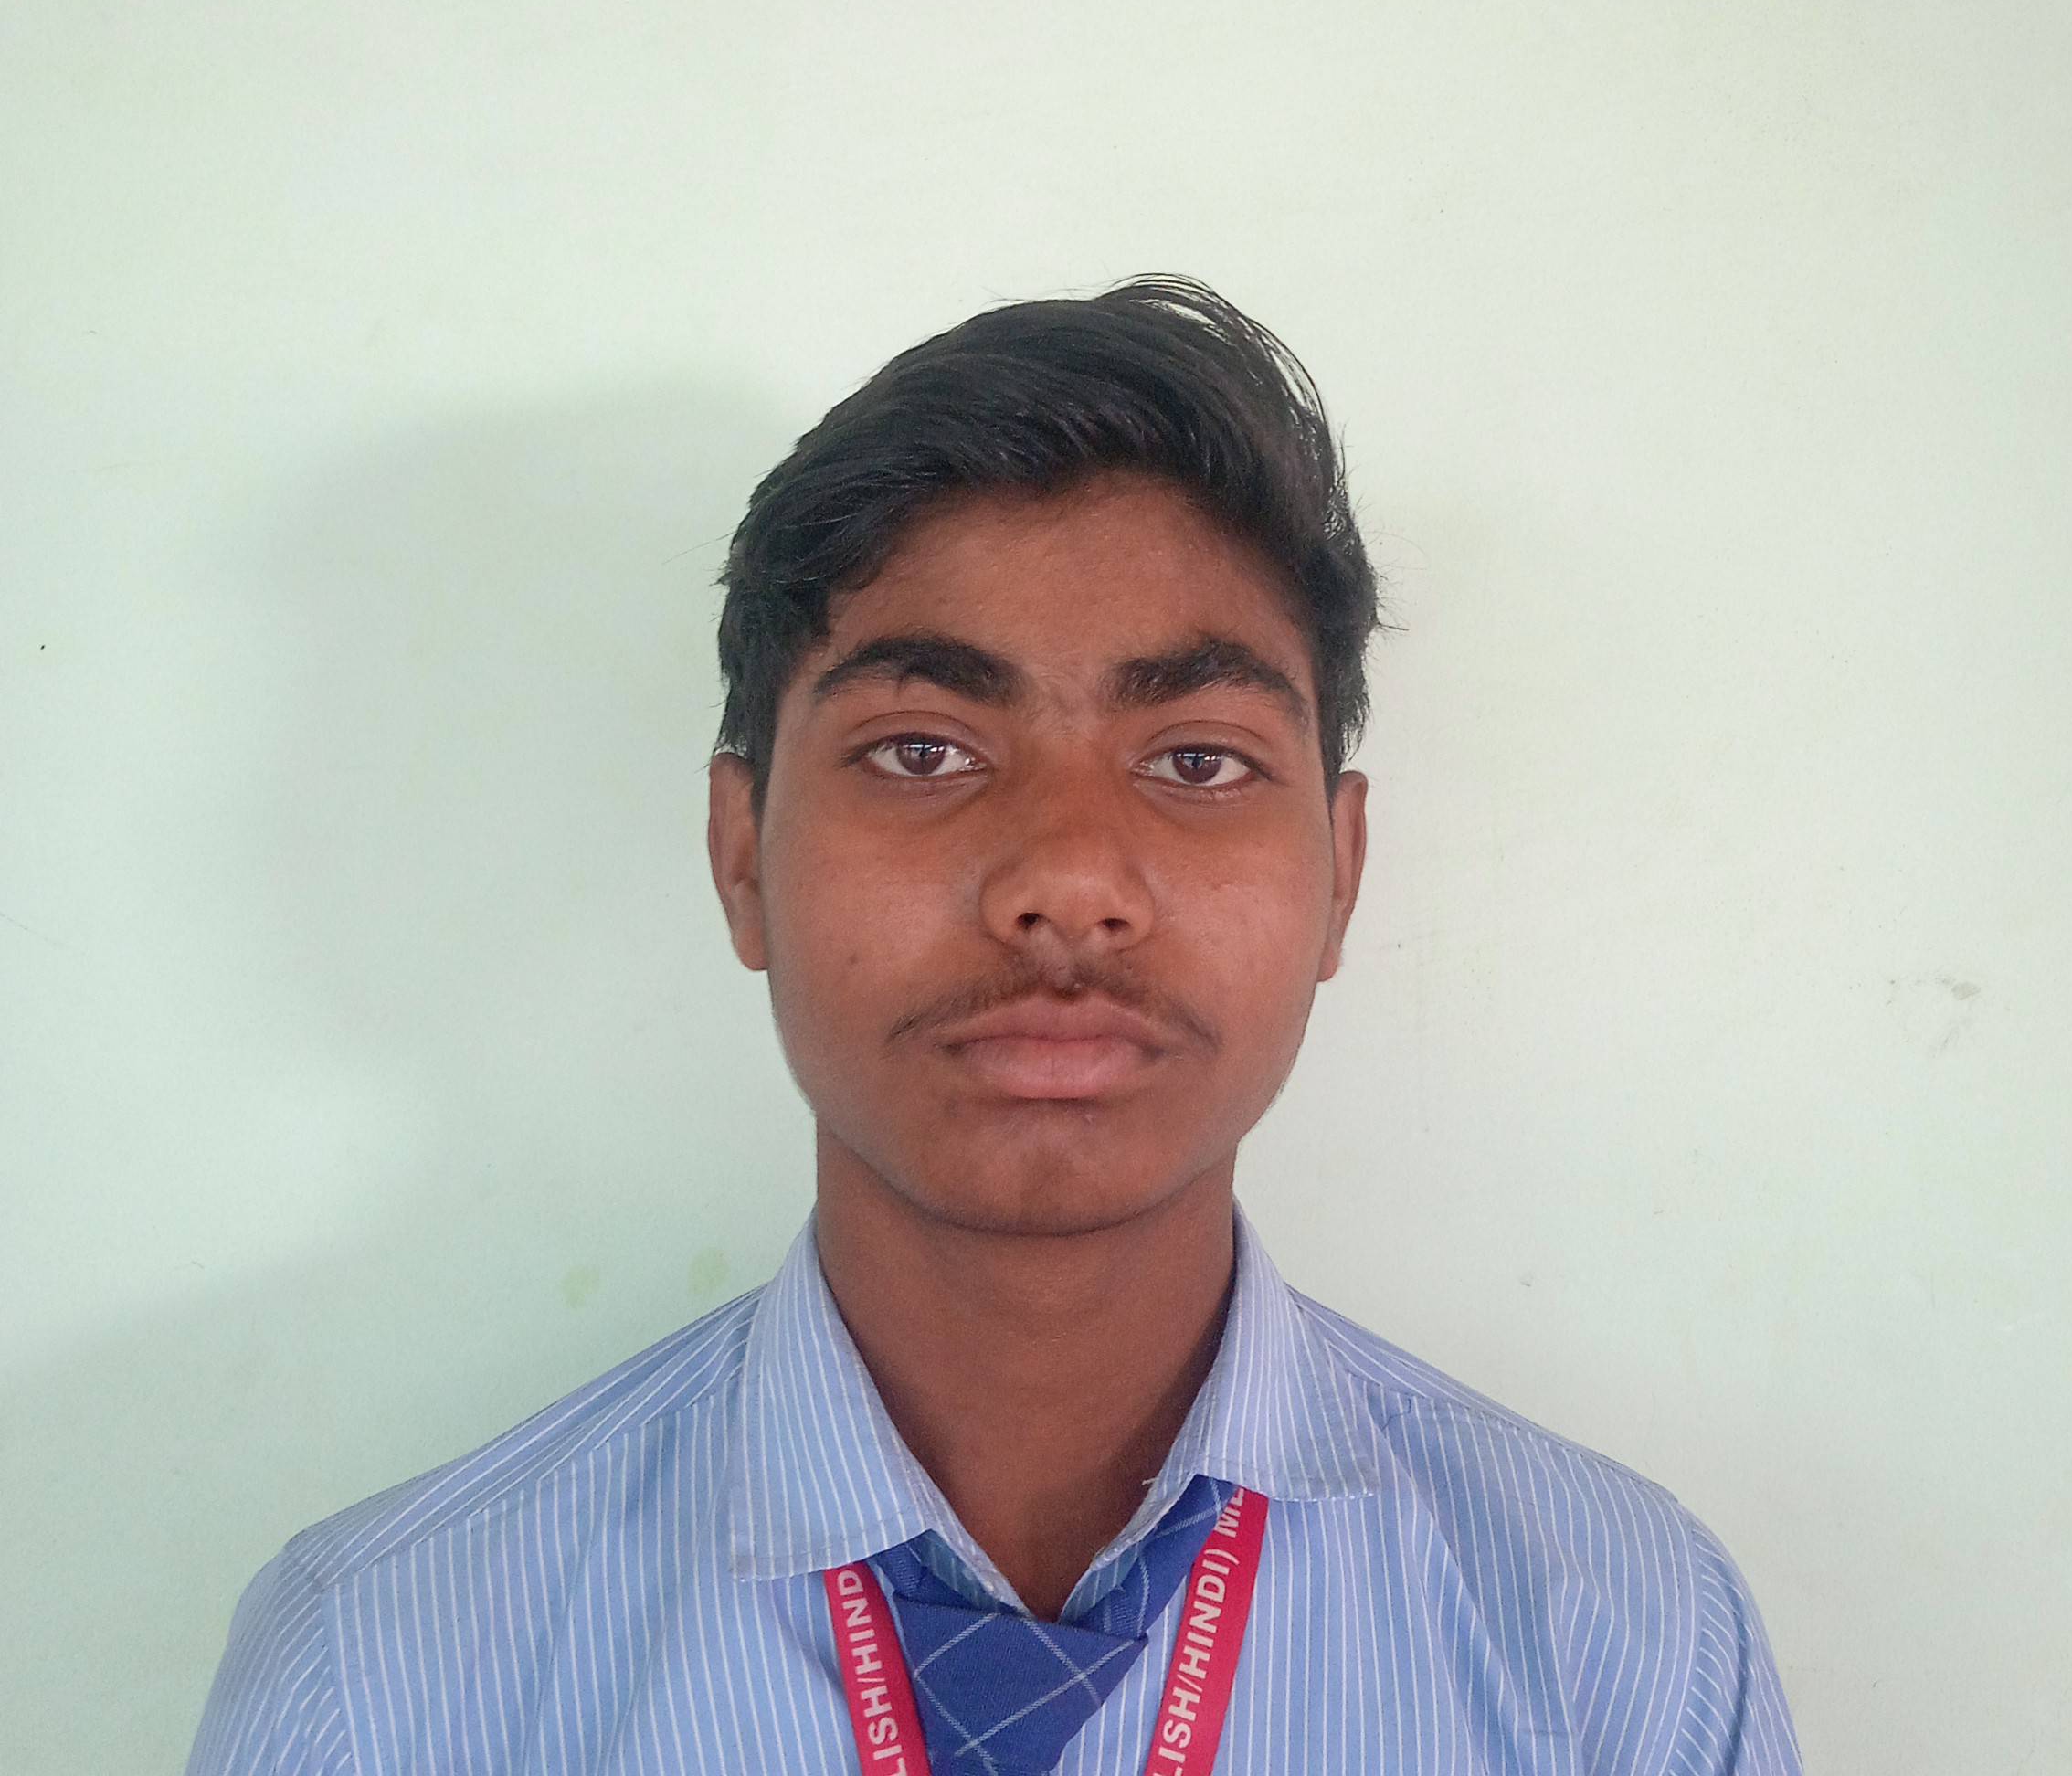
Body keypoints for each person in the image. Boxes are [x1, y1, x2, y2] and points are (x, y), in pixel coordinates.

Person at [187, 277, 1803, 1774]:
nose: (1067, 882)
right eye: (923, 751)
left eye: (1198, 761)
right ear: (743, 858)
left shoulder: (1627, 1653)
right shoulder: (383, 1674)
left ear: (1341, 875)